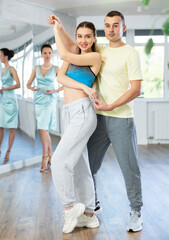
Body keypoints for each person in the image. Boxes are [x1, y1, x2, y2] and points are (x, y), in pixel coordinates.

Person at [48, 11, 143, 233]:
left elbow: (136, 89)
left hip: (119, 116)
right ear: (103, 30)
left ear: (123, 28)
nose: (111, 29)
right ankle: (91, 210)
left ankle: (135, 211)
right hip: (97, 116)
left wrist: (110, 105)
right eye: (107, 25)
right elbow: (75, 45)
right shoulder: (99, 49)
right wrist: (60, 27)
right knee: (87, 165)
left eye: (116, 25)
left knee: (129, 168)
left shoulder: (130, 53)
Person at [48, 16, 101, 234]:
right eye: (80, 36)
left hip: (82, 112)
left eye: (88, 36)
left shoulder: (94, 57)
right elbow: (60, 77)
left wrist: (55, 30)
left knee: (59, 160)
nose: (83, 40)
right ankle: (89, 215)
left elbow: (62, 53)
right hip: (69, 111)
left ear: (94, 37)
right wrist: (58, 27)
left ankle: (70, 207)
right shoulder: (75, 54)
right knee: (80, 165)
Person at [27, 44, 61, 172]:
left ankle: (45, 158)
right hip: (39, 100)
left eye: (49, 53)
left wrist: (54, 90)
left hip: (49, 100)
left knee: (43, 129)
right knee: (43, 129)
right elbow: (28, 84)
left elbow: (65, 84)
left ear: (52, 54)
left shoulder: (56, 68)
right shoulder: (36, 68)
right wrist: (32, 88)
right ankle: (51, 155)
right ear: (41, 54)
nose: (47, 55)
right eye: (45, 53)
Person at [0, 48, 20, 164]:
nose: (0, 58)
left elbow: (18, 84)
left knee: (11, 128)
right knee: (0, 126)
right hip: (3, 100)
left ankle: (8, 151)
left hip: (11, 101)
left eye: (1, 55)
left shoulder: (12, 69)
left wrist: (5, 89)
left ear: (6, 57)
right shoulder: (3, 70)